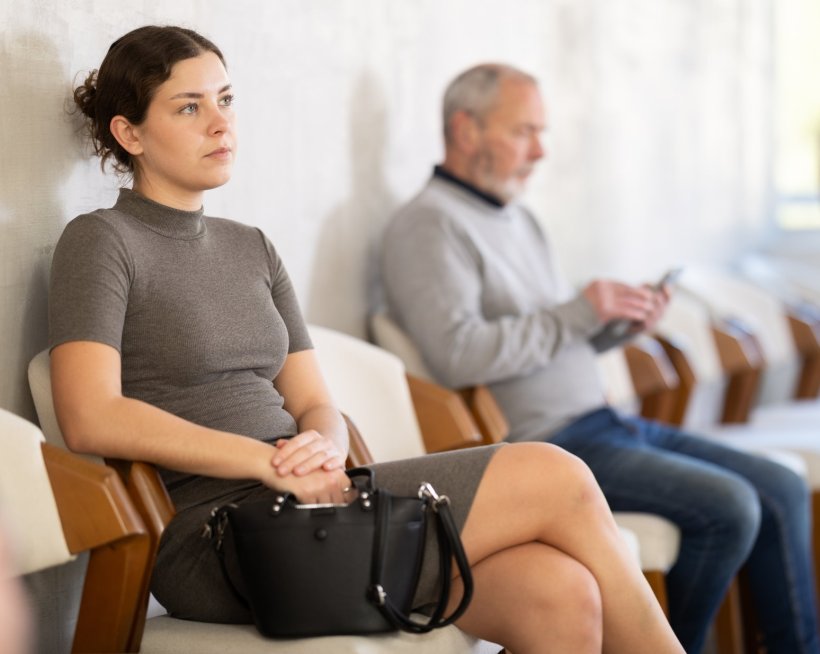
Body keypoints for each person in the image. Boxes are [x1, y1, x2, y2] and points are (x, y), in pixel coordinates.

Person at [48, 26, 683, 654]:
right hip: (224, 535)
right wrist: (270, 464)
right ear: (129, 133)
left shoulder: (253, 247)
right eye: (190, 107)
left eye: (226, 99)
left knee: (559, 591)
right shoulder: (101, 241)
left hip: (320, 501)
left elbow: (317, 404)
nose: (221, 124)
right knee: (555, 472)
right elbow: (90, 416)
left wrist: (320, 453)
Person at [380, 63, 819, 654]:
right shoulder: (426, 226)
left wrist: (614, 327)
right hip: (551, 447)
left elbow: (553, 337)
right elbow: (460, 355)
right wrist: (580, 313)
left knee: (781, 488)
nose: (539, 150)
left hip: (605, 423)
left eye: (542, 132)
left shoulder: (517, 216)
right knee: (732, 508)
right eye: (524, 132)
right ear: (466, 130)